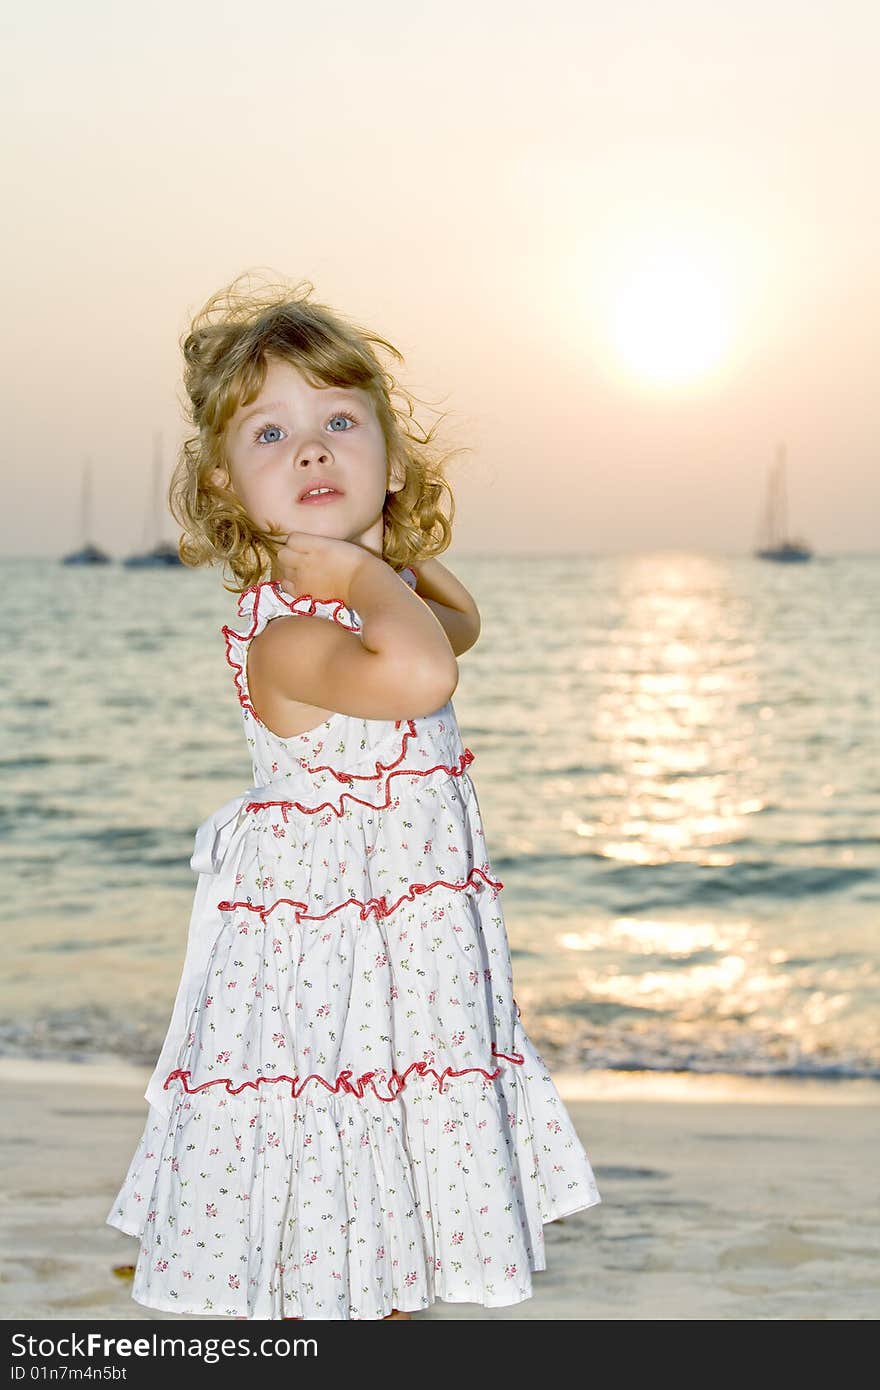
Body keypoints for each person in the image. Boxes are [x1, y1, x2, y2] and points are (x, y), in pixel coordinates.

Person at [105, 272, 601, 1321]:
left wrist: (381, 553)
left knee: (391, 1223)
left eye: (339, 422)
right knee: (332, 1213)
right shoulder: (292, 632)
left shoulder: (369, 602)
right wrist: (354, 575)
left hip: (395, 964)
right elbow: (427, 673)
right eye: (271, 435)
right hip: (322, 981)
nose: (313, 449)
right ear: (227, 488)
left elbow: (455, 626)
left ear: (388, 454)